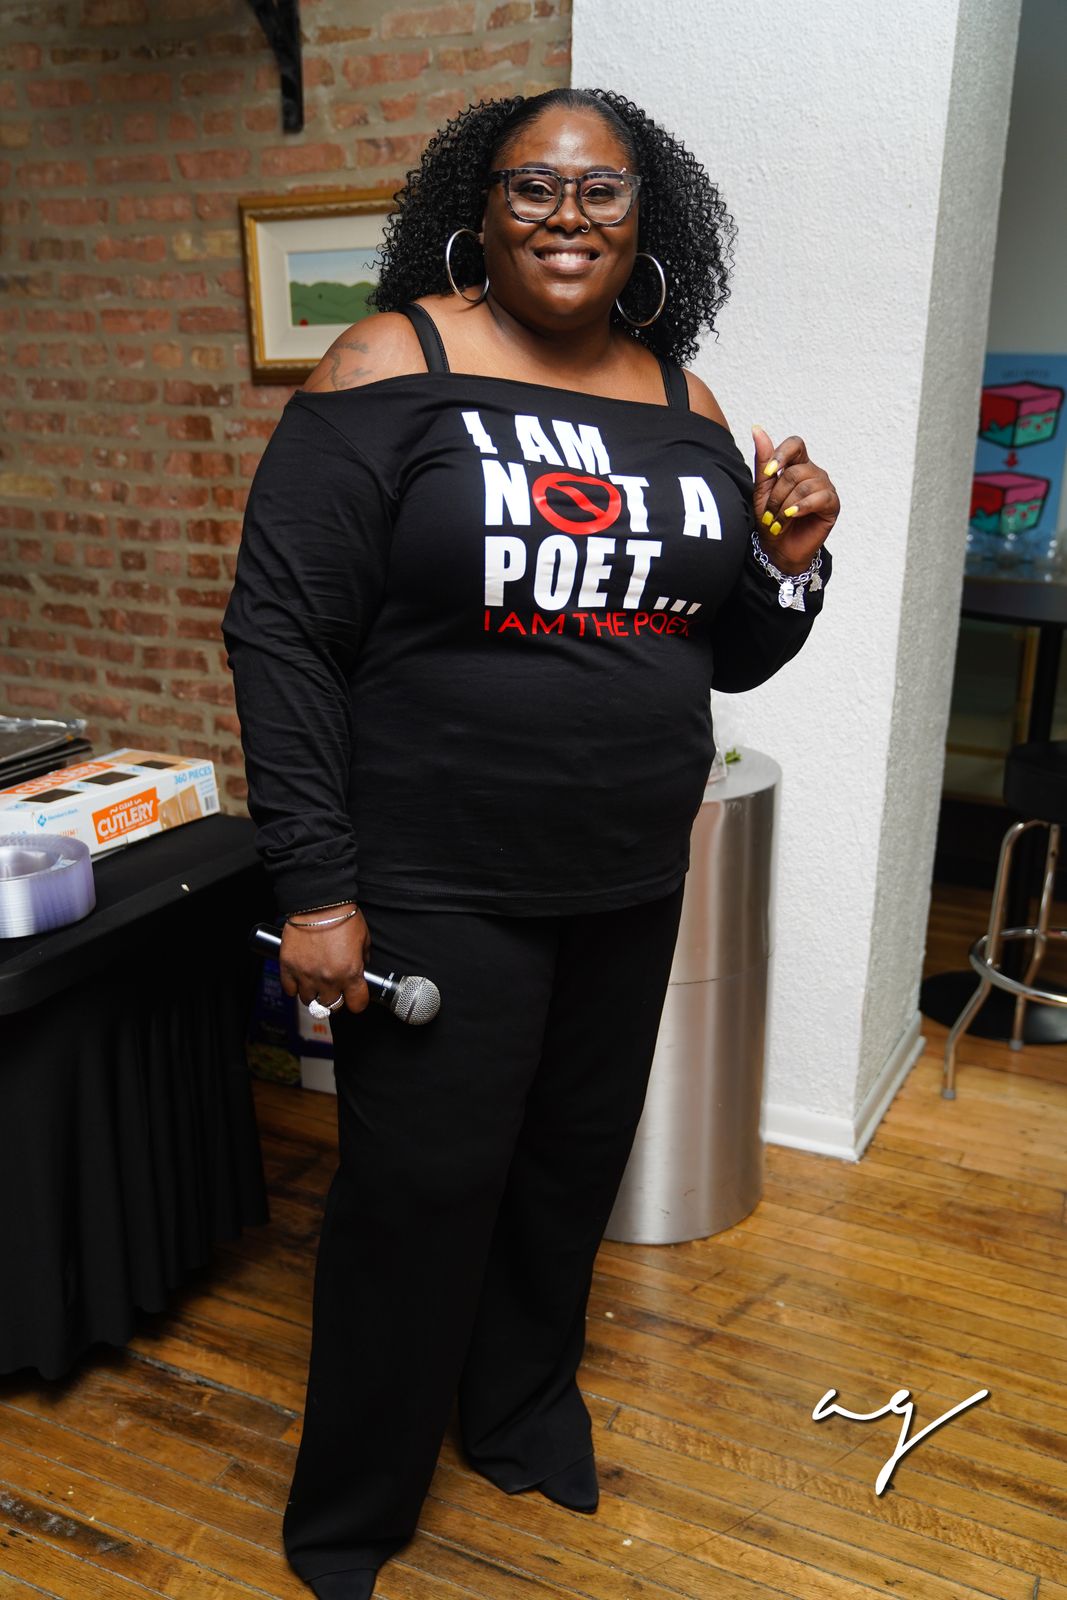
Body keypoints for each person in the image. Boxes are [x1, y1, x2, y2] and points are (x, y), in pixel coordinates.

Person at [222, 86, 839, 1600]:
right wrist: (317, 885)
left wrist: (793, 563)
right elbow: (282, 633)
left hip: (627, 874)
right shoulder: (392, 363)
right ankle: (353, 1512)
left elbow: (728, 653)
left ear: (647, 219)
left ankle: (517, 1414)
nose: (569, 215)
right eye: (533, 187)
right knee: (416, 1198)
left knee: (568, 1171)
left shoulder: (686, 403)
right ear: (479, 209)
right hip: (435, 882)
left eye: (602, 190)